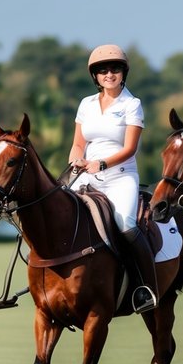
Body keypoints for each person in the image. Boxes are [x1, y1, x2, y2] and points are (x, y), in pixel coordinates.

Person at [68, 44, 157, 314]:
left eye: (115, 69)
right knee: (60, 211)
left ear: (123, 73)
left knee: (126, 224)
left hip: (120, 177)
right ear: (95, 76)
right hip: (87, 176)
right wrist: (76, 161)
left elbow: (130, 148)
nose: (109, 74)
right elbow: (77, 144)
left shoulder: (132, 104)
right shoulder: (86, 104)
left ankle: (144, 287)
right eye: (103, 70)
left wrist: (102, 162)